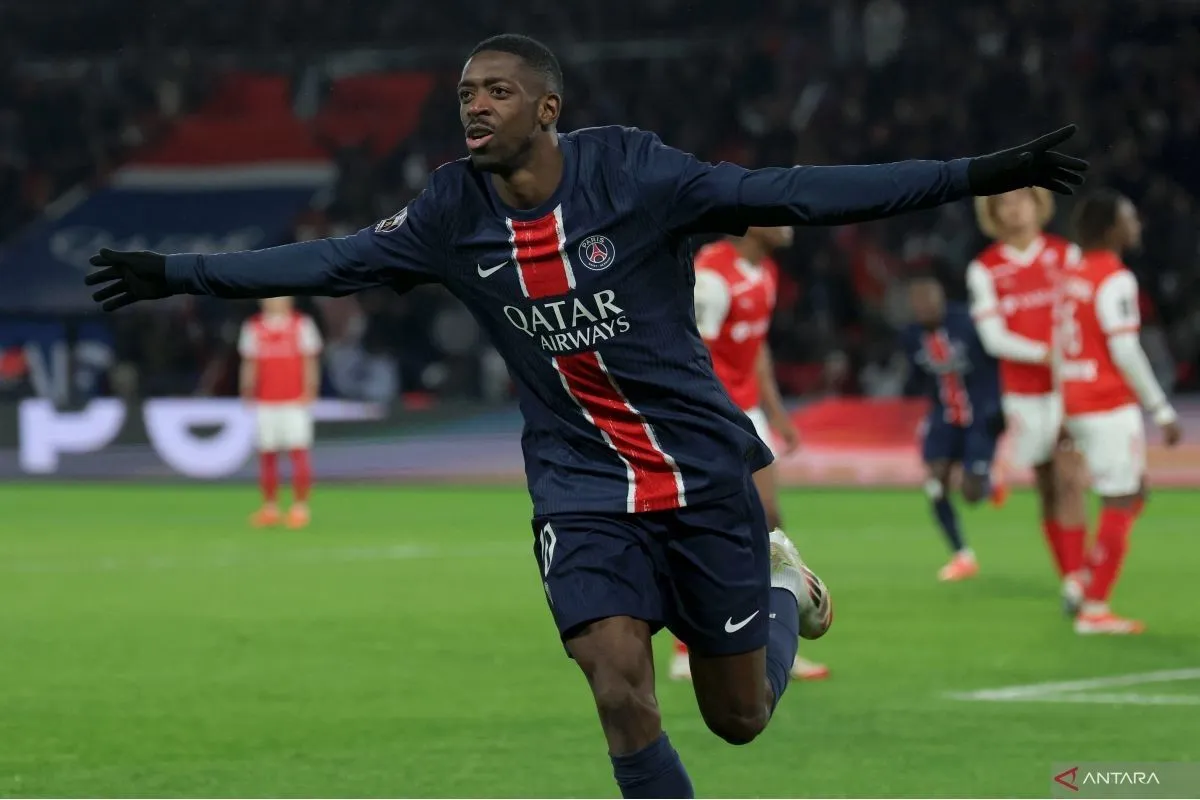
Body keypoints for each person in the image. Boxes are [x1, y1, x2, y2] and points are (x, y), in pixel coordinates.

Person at [84, 34, 1086, 799]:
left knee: (737, 717)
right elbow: (333, 258)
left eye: (497, 91)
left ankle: (783, 580)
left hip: (700, 473)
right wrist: (176, 273)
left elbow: (795, 192)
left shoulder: (635, 174)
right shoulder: (450, 212)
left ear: (547, 107)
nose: (474, 107)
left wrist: (973, 176)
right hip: (582, 480)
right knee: (616, 681)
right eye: (466, 93)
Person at [670, 227, 829, 683]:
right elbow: (687, 353)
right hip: (711, 414)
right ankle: (689, 647)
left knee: (769, 520)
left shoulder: (766, 273)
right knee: (712, 527)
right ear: (750, 222)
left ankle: (772, 638)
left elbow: (756, 348)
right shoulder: (713, 277)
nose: (789, 223)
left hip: (748, 412)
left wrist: (777, 415)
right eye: (776, 215)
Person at [1058, 190, 1181, 635]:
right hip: (1107, 403)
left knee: (1134, 492)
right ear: (1110, 229)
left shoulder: (1074, 276)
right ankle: (1094, 607)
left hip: (1078, 400)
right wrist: (1161, 409)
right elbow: (1125, 350)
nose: (1138, 225)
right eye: (1130, 217)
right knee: (1122, 497)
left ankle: (1087, 580)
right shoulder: (1115, 278)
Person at [966, 189, 1090, 609]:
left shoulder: (1066, 255)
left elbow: (1083, 317)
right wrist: (1042, 352)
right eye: (1004, 202)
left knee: (1070, 475)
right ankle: (1070, 572)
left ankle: (1077, 581)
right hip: (1022, 396)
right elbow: (992, 337)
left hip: (1067, 389)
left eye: (1023, 199)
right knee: (1048, 487)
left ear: (1040, 205)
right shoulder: (985, 269)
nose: (1015, 207)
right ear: (993, 212)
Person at [903, 275, 1003, 580]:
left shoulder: (969, 324)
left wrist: (1000, 409)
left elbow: (997, 360)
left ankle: (988, 481)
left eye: (929, 301)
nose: (924, 308)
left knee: (972, 495)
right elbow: (917, 378)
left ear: (942, 300)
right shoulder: (910, 336)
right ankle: (962, 555)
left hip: (980, 416)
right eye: (918, 303)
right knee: (935, 484)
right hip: (943, 418)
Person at [237, 296, 322, 529]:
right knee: (267, 455)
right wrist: (246, 388)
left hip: (294, 400)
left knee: (299, 452)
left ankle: (300, 507)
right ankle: (270, 508)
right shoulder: (253, 326)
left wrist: (311, 388)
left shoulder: (301, 324)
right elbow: (249, 361)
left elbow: (309, 360)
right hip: (266, 401)